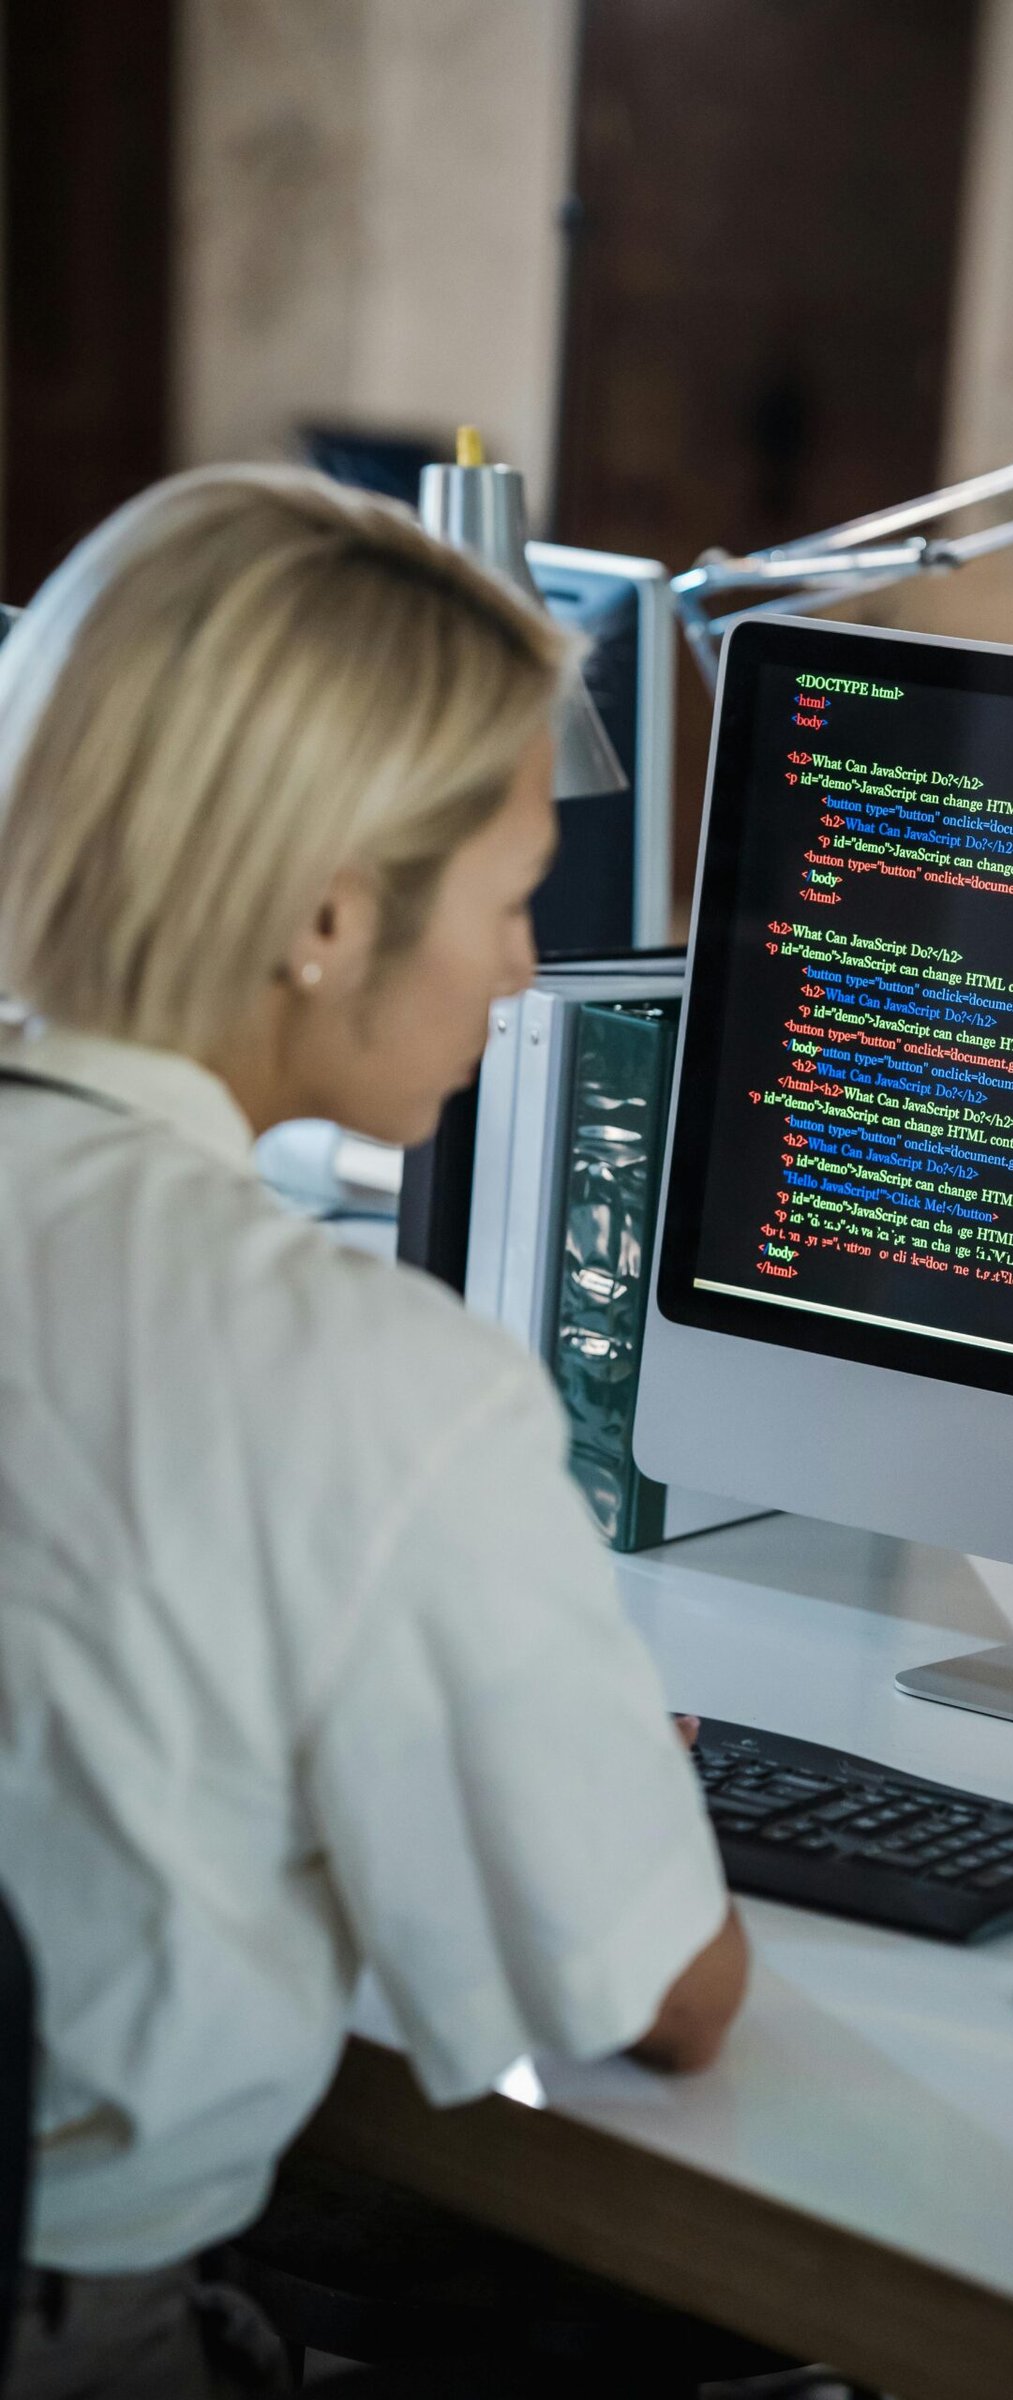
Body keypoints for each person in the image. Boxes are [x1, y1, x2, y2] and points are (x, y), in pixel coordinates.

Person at [0, 467, 747, 2396]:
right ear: (329, 917)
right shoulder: (357, 1376)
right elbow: (667, 2000)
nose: (524, 970)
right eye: (510, 899)